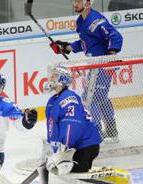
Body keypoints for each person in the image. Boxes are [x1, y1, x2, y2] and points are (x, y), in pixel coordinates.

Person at [40, 66, 131, 184]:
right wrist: (54, 150)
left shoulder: (69, 99)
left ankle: (113, 183)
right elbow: (52, 127)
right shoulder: (53, 100)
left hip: (86, 146)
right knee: (60, 171)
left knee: (75, 176)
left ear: (63, 79)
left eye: (54, 76)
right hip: (74, 146)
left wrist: (64, 149)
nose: (50, 79)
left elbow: (72, 125)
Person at [49, 0, 123, 143]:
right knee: (99, 96)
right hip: (95, 65)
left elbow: (116, 36)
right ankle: (112, 130)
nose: (74, 4)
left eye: (78, 1)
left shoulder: (96, 21)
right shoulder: (81, 21)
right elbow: (85, 43)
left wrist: (111, 56)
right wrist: (65, 47)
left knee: (91, 97)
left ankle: (96, 130)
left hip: (103, 65)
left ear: (88, 3)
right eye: (74, 1)